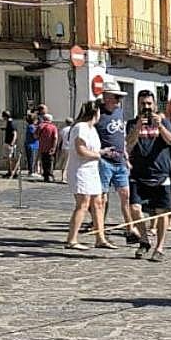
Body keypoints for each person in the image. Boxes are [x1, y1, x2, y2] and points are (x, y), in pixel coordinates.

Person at [126, 89, 171, 262]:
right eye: (143, 104)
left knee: (161, 212)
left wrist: (160, 126)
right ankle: (144, 240)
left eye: (149, 104)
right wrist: (138, 126)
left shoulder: (165, 122)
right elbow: (129, 145)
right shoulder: (132, 123)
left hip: (160, 173)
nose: (146, 107)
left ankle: (159, 247)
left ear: (154, 105)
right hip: (138, 173)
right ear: (138, 105)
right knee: (134, 208)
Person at [63, 101, 114, 250]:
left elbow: (92, 149)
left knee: (98, 203)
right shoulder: (80, 127)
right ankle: (72, 239)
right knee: (83, 204)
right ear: (95, 112)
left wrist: (103, 152)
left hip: (92, 170)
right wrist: (98, 155)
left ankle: (100, 238)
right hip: (81, 170)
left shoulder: (92, 129)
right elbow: (81, 150)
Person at [94, 81, 138, 244]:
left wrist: (126, 155)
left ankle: (129, 227)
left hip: (120, 160)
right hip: (104, 160)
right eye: (116, 96)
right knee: (102, 198)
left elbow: (121, 135)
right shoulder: (98, 113)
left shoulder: (119, 111)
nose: (119, 100)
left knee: (125, 195)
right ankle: (100, 229)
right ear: (106, 97)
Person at [36, 114, 59, 182]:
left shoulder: (40, 126)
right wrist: (54, 147)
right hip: (50, 147)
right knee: (50, 162)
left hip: (42, 147)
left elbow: (35, 135)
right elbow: (55, 137)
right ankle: (50, 176)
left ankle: (45, 176)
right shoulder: (53, 127)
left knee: (44, 162)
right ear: (50, 119)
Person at [1, 111, 19, 178]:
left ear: (5, 116)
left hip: (10, 143)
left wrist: (12, 143)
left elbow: (15, 133)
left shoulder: (11, 123)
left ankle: (12, 172)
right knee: (8, 158)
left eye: (3, 116)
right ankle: (10, 171)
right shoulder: (9, 123)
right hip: (7, 142)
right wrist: (5, 129)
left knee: (10, 158)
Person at [56, 117, 74, 182]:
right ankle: (64, 178)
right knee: (67, 163)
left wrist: (58, 147)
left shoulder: (63, 130)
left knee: (63, 162)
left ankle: (63, 177)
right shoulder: (73, 129)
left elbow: (60, 140)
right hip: (70, 148)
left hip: (64, 147)